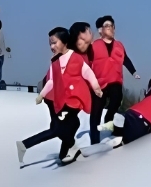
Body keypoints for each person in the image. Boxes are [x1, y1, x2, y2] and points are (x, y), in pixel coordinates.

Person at [17, 27, 103, 165]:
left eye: (54, 42)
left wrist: (96, 87)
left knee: (65, 125)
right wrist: (41, 95)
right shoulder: (55, 62)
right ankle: (67, 150)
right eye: (50, 43)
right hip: (60, 100)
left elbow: (87, 72)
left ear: (64, 42)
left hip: (75, 98)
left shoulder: (76, 58)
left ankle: (66, 149)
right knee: (63, 127)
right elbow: (51, 81)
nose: (52, 46)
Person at [88, 16, 140, 142]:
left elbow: (125, 59)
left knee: (116, 100)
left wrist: (133, 72)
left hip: (115, 80)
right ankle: (94, 140)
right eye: (107, 26)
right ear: (100, 30)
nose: (110, 28)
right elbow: (85, 62)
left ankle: (109, 119)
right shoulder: (94, 46)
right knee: (96, 112)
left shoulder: (119, 45)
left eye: (112, 26)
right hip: (99, 82)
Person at [98, 75, 151, 149]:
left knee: (121, 129)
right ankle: (118, 138)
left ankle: (112, 132)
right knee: (127, 138)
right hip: (144, 120)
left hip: (131, 112)